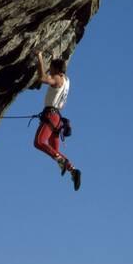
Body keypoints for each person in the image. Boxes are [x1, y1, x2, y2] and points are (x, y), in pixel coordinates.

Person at [33, 51, 81, 191]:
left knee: (39, 142)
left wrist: (39, 57)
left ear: (57, 70)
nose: (50, 70)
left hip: (51, 116)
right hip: (58, 119)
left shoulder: (57, 80)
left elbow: (42, 78)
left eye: (52, 68)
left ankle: (63, 161)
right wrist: (55, 58)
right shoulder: (66, 80)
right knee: (54, 150)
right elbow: (58, 69)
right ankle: (73, 170)